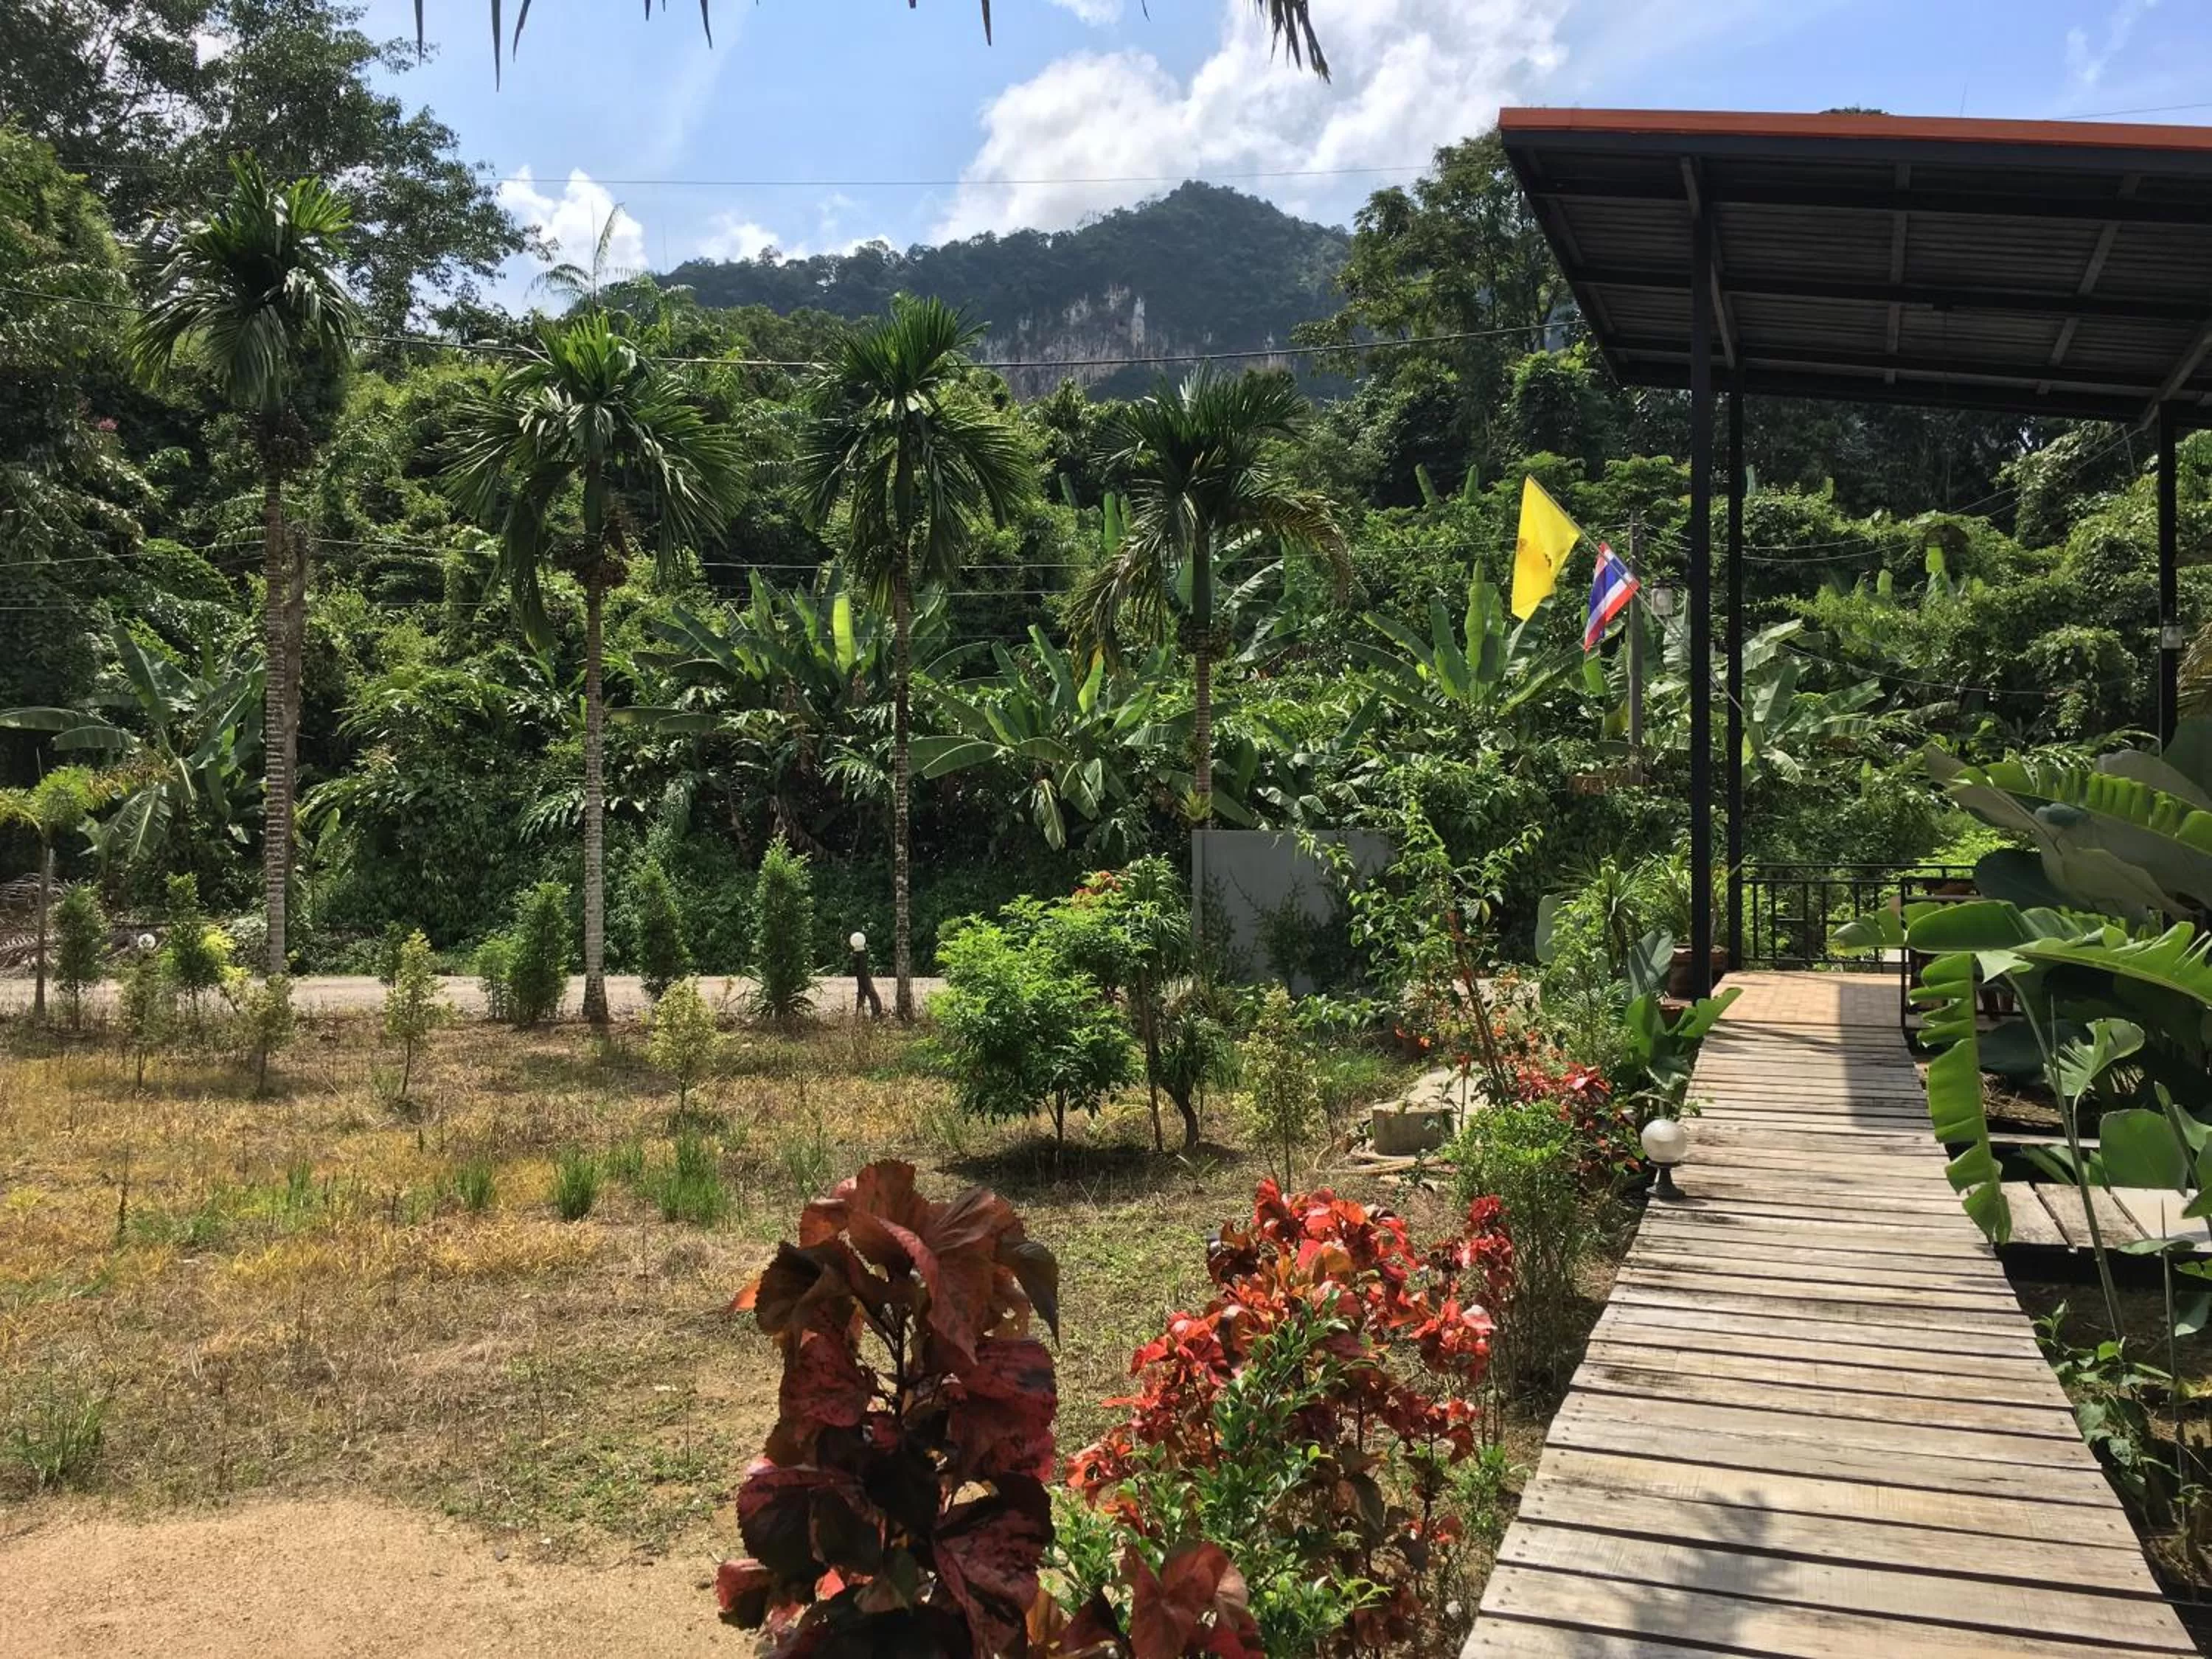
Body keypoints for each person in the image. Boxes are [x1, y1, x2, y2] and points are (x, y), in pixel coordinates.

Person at [849, 930, 883, 1020]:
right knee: (869, 993)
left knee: (866, 993)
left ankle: (872, 1012)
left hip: (862, 976)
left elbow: (859, 969)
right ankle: (875, 1012)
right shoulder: (862, 955)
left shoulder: (859, 956)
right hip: (863, 976)